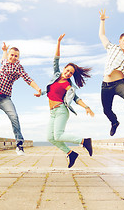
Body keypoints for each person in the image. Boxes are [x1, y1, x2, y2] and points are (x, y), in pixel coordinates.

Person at [38, 34, 94, 168]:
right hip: (52, 112)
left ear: (72, 75)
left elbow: (76, 99)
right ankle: (71, 153)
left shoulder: (69, 86)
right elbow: (55, 60)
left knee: (58, 135)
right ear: (64, 69)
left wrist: (86, 107)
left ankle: (84, 141)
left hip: (61, 111)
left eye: (71, 73)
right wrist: (58, 42)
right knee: (50, 138)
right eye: (67, 70)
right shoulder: (56, 76)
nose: (68, 73)